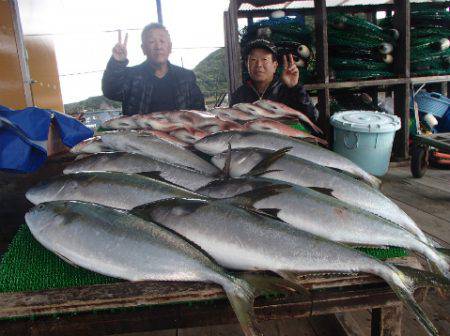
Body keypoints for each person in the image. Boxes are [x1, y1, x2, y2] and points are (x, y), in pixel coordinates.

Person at [102, 23, 205, 115]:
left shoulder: (186, 76)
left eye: (162, 41)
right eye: (151, 41)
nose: (158, 46)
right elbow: (110, 91)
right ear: (143, 49)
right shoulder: (131, 76)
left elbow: (199, 111)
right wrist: (117, 62)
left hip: (178, 135)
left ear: (170, 47)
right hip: (139, 135)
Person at [230, 39, 318, 122]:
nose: (259, 65)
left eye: (264, 59)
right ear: (247, 65)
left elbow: (312, 117)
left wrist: (296, 87)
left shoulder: (288, 90)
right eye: (253, 60)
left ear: (275, 65)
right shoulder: (239, 95)